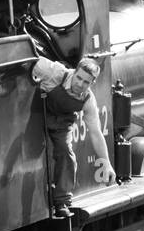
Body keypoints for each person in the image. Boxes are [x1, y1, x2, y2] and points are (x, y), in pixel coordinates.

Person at [32, 56, 116, 219]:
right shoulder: (54, 72)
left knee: (66, 153)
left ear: (92, 83)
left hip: (62, 124)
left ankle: (62, 200)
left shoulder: (88, 100)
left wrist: (106, 163)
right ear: (74, 72)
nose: (80, 84)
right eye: (78, 78)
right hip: (38, 115)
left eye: (86, 82)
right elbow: (30, 60)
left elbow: (96, 133)